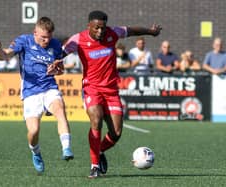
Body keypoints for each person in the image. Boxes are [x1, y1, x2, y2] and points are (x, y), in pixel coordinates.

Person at [50, 10, 161, 178]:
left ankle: (99, 150)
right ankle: (94, 166)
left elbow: (132, 30)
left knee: (116, 133)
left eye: (103, 28)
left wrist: (151, 32)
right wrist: (55, 61)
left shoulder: (113, 33)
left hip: (111, 90)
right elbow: (60, 53)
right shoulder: (78, 39)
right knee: (96, 120)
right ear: (89, 26)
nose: (100, 32)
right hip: (91, 88)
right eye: (96, 28)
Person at [0, 17, 74, 174]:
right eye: (43, 38)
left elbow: (60, 69)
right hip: (30, 91)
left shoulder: (56, 45)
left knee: (60, 110)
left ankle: (66, 148)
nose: (46, 41)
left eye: (48, 38)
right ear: (35, 32)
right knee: (34, 131)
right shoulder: (24, 41)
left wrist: (56, 70)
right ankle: (36, 153)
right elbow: (6, 55)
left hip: (49, 87)